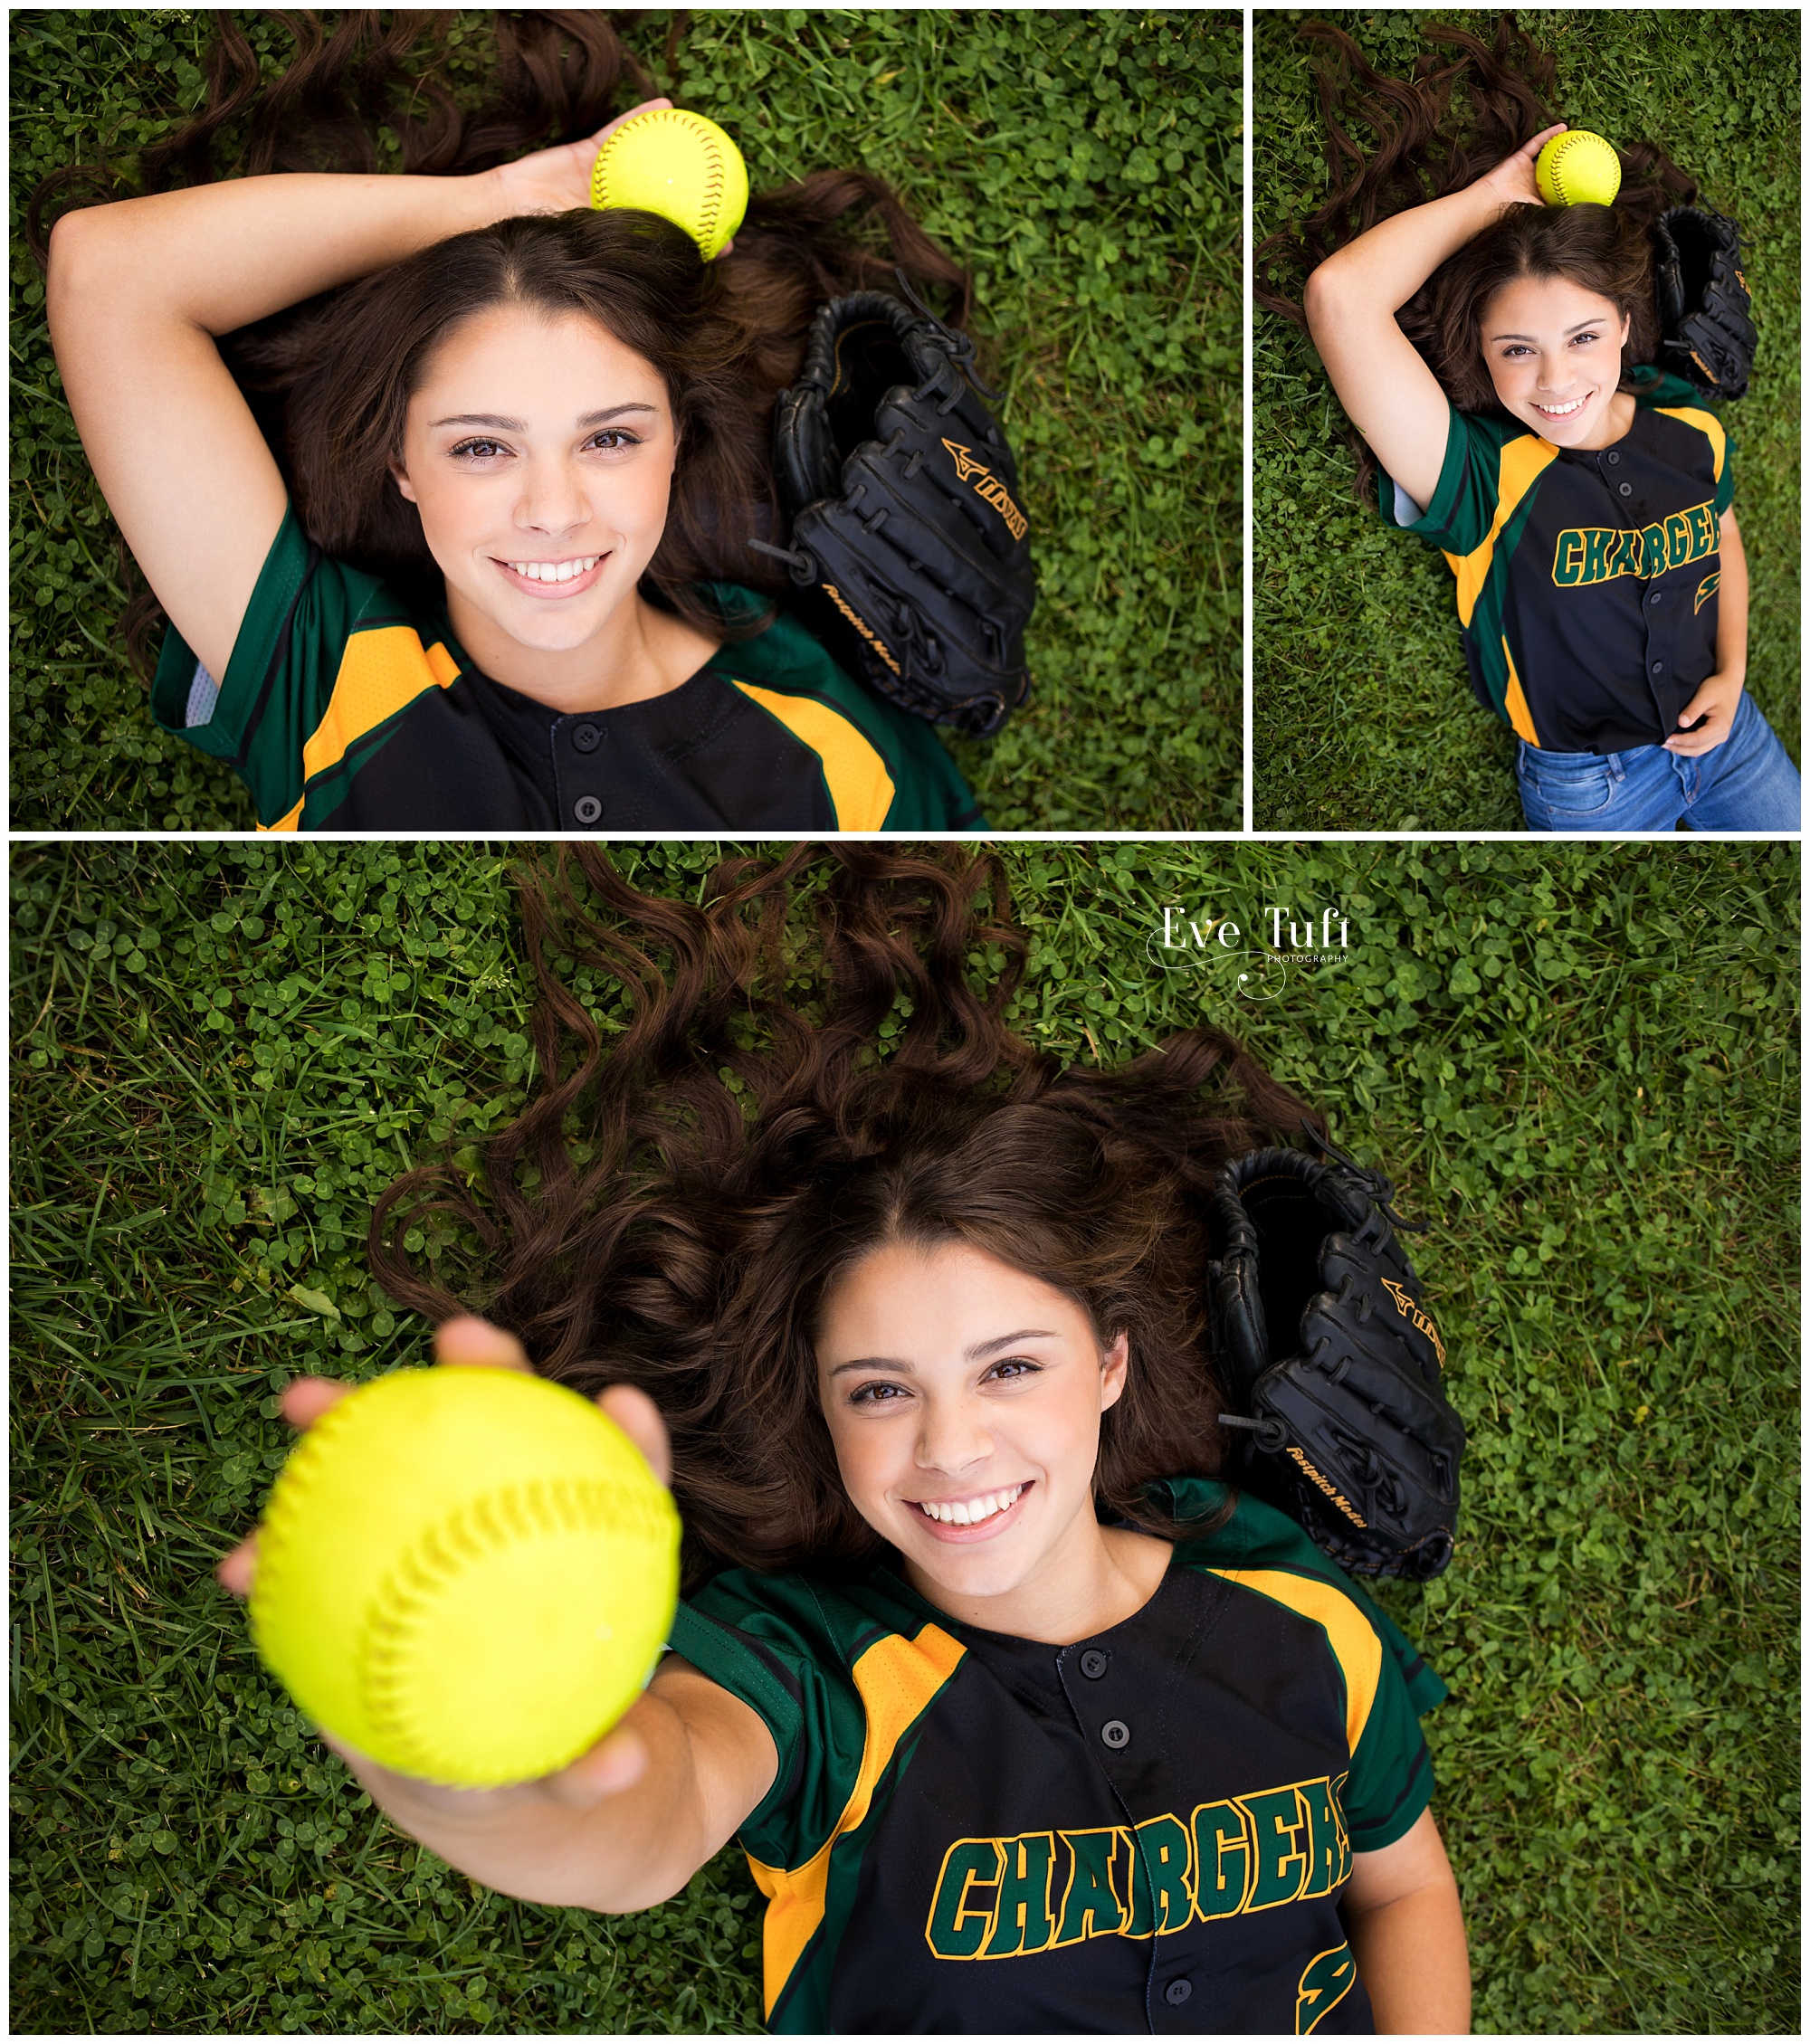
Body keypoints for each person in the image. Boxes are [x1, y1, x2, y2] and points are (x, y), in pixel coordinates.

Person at [217, 846, 1472, 2033]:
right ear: (821, 1410)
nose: (950, 1442)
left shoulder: (1298, 1617)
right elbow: (649, 1813)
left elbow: (1401, 1882)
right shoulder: (817, 1673)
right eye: (879, 1389)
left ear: (1109, 1363)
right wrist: (475, 1769)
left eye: (1011, 1366)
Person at [36, 14, 983, 831]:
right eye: (481, 447)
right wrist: (497, 206)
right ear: (401, 465)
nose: (551, 510)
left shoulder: (833, 753)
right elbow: (110, 274)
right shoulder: (334, 686)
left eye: (609, 438)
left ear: (677, 442)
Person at [1258, 18, 1798, 833]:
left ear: (1623, 324)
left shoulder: (1691, 428)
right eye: (1518, 349)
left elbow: (1722, 536)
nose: (1556, 380)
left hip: (1731, 739)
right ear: (1480, 352)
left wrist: (1733, 672)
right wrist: (1490, 202)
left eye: (1582, 337)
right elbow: (1340, 299)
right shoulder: (1479, 476)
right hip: (1593, 783)